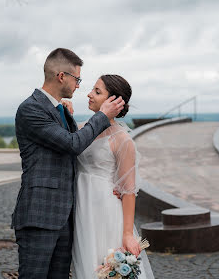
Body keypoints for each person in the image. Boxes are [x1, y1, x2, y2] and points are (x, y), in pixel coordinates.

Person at [11, 48, 125, 279]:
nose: (79, 86)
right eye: (77, 79)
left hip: (67, 217)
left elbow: (78, 157)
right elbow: (73, 144)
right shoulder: (31, 108)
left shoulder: (59, 110)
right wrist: (101, 116)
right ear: (61, 76)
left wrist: (110, 184)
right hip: (40, 215)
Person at [71, 75, 155, 279]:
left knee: (102, 265)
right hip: (80, 208)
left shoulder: (122, 140)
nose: (89, 94)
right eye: (93, 89)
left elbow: (128, 191)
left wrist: (127, 234)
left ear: (114, 101)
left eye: (97, 92)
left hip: (105, 214)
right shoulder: (80, 129)